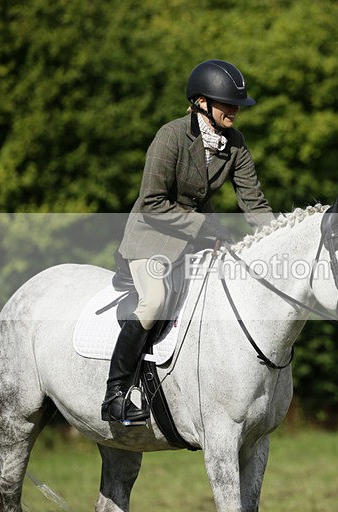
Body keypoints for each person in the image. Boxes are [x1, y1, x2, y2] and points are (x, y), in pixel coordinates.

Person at [101, 59, 274, 425]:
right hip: (150, 237)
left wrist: (278, 239)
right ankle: (115, 393)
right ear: (200, 103)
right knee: (155, 302)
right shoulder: (171, 136)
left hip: (196, 239)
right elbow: (151, 203)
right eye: (226, 104)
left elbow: (254, 204)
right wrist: (205, 229)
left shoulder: (235, 145)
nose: (234, 111)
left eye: (237, 105)